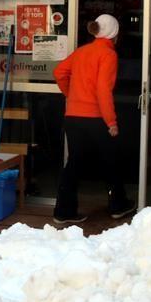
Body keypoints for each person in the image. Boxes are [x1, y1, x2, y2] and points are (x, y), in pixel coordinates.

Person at [52, 14, 134, 224]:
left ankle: (63, 211)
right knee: (111, 160)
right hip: (95, 117)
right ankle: (118, 205)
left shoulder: (81, 51)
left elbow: (59, 71)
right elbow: (103, 90)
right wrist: (111, 121)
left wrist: (70, 94)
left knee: (75, 163)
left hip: (73, 116)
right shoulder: (108, 55)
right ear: (114, 34)